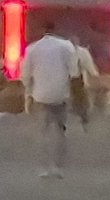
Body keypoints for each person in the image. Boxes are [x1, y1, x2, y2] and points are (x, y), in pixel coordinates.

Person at [20, 15, 100, 179]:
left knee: (43, 131)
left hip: (40, 94)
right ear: (55, 30)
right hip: (61, 94)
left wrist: (29, 90)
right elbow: (74, 73)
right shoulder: (66, 47)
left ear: (42, 30)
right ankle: (57, 167)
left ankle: (44, 167)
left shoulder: (32, 49)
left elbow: (25, 75)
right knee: (60, 130)